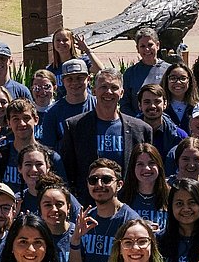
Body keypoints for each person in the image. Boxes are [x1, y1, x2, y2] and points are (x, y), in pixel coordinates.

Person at [60, 68, 153, 201]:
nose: (108, 92)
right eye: (103, 87)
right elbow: (68, 172)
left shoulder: (141, 129)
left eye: (114, 87)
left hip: (128, 203)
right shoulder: (75, 126)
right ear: (94, 90)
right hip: (89, 204)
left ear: (121, 93)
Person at [158, 178, 199, 262]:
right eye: (179, 204)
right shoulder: (159, 240)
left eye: (192, 203)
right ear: (171, 207)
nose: (186, 209)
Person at [120, 142, 170, 232]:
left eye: (151, 163)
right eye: (140, 164)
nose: (146, 168)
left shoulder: (172, 195)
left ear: (159, 166)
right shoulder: (121, 197)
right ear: (133, 167)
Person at [121, 27, 170, 117]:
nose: (147, 49)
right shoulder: (130, 73)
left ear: (158, 45)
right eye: (143, 46)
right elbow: (125, 105)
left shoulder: (169, 70)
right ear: (137, 48)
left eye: (150, 45)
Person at [137, 83, 188, 161]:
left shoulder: (179, 136)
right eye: (147, 102)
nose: (152, 106)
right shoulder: (129, 132)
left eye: (157, 101)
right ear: (140, 105)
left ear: (165, 104)